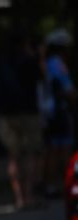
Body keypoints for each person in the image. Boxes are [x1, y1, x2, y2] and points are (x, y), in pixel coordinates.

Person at [0, 33, 45, 210]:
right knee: (30, 154)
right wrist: (39, 57)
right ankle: (29, 195)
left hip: (8, 114)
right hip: (28, 112)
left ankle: (19, 198)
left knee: (13, 157)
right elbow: (43, 78)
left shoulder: (2, 62)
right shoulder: (28, 61)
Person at [41, 28, 76, 197]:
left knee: (51, 148)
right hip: (59, 111)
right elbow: (69, 91)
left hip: (48, 112)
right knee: (62, 148)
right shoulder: (58, 64)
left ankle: (50, 184)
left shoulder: (46, 63)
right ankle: (64, 184)